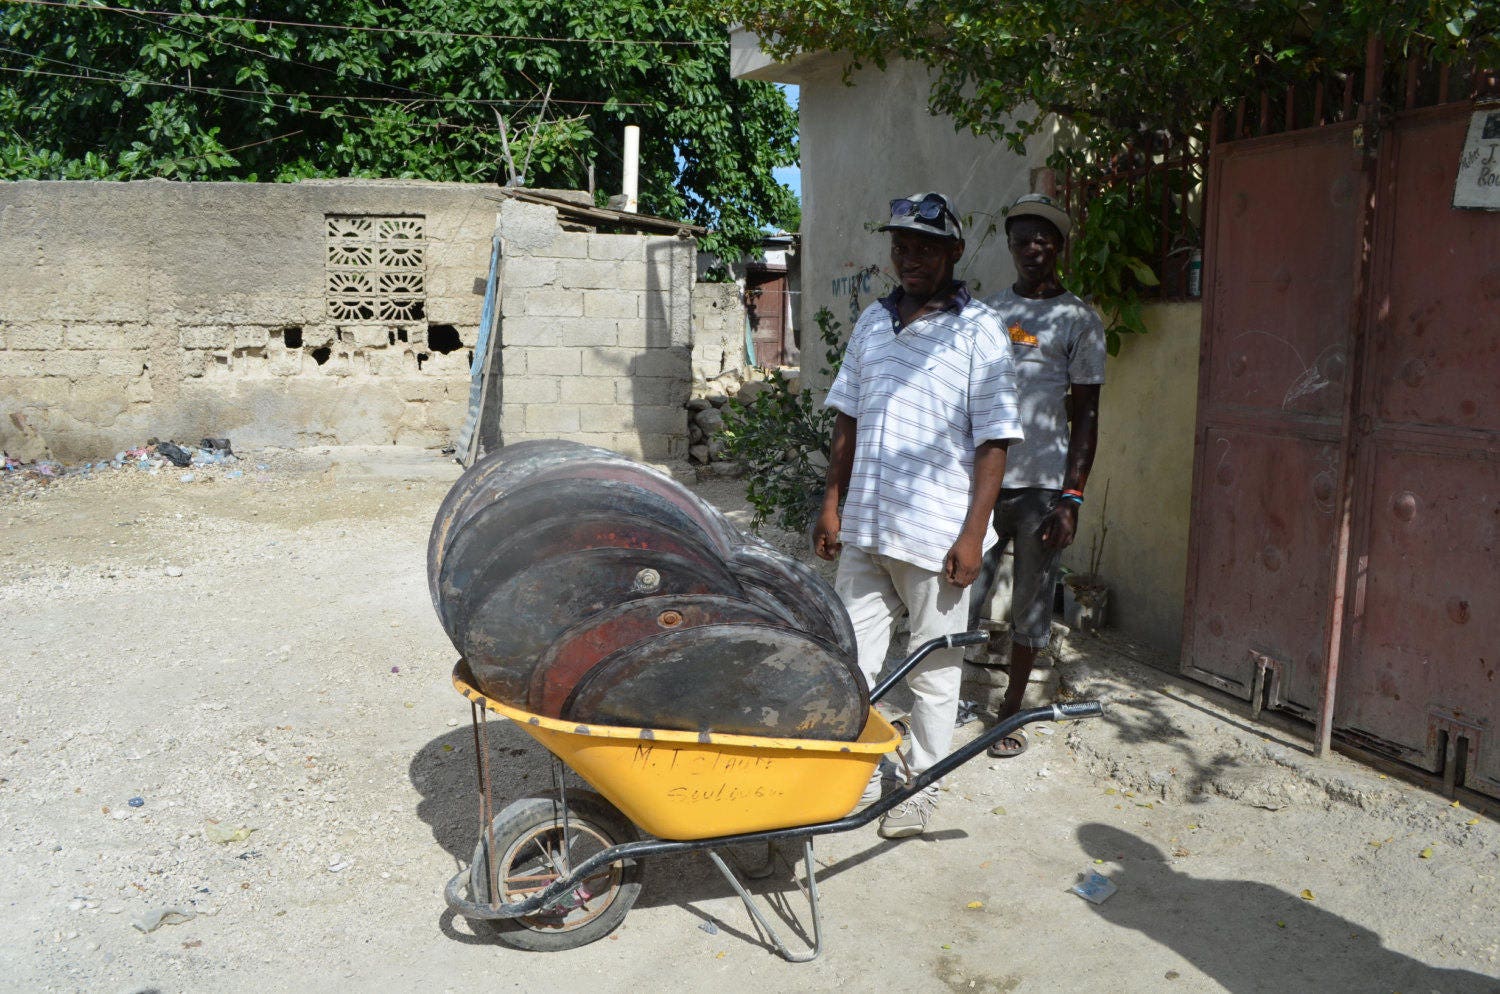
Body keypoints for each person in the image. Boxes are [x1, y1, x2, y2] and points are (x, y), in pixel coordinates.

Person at [814, 192, 1023, 839]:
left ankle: (922, 786)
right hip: (867, 530)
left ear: (954, 253)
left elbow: (995, 441)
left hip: (937, 539)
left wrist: (971, 536)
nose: (910, 258)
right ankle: (862, 775)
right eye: (902, 246)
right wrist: (830, 501)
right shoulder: (874, 323)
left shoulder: (979, 331)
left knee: (933, 675)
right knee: (851, 663)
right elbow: (847, 416)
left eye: (925, 247)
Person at [968, 192, 1105, 759]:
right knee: (961, 592)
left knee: (1031, 603)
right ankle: (946, 694)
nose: (1032, 248)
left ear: (1059, 246)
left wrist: (1071, 497)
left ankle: (1008, 712)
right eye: (1022, 238)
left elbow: (1088, 414)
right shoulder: (988, 313)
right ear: (1010, 245)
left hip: (1042, 488)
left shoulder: (1079, 320)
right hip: (981, 481)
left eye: (1043, 238)